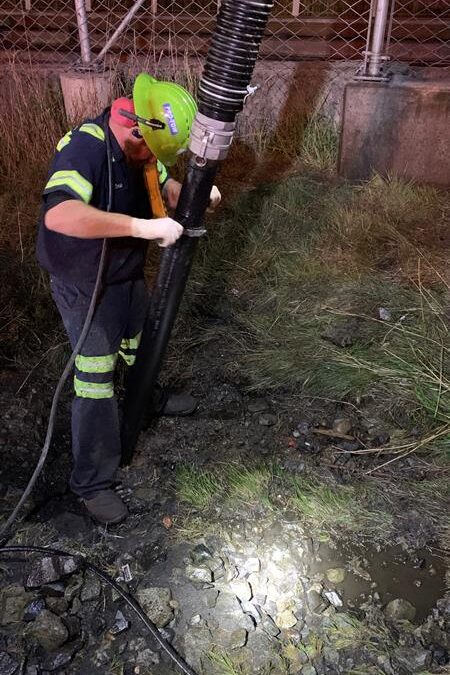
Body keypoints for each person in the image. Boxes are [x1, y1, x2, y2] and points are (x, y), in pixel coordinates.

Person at [36, 86, 221, 525]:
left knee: (141, 342)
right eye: (153, 149)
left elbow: (164, 185)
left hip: (125, 273)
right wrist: (140, 227)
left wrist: (196, 195)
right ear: (138, 129)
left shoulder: (141, 147)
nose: (154, 158)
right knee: (95, 379)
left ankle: (145, 398)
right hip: (85, 282)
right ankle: (91, 482)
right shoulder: (86, 149)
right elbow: (59, 215)